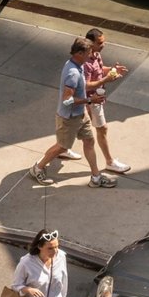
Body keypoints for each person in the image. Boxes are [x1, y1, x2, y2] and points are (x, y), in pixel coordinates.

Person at [30, 38, 117, 188]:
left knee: (89, 142)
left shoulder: (77, 64)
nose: (91, 56)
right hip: (68, 118)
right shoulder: (72, 73)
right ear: (79, 53)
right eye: (88, 53)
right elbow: (67, 101)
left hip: (81, 114)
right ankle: (37, 168)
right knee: (62, 147)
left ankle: (96, 178)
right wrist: (90, 100)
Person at [80, 27, 131, 173]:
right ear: (91, 43)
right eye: (100, 42)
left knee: (72, 129)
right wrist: (106, 79)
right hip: (92, 100)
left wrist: (112, 70)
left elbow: (99, 70)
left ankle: (63, 147)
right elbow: (86, 85)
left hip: (95, 99)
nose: (104, 45)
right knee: (102, 129)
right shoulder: (85, 62)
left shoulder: (96, 55)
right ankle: (110, 161)